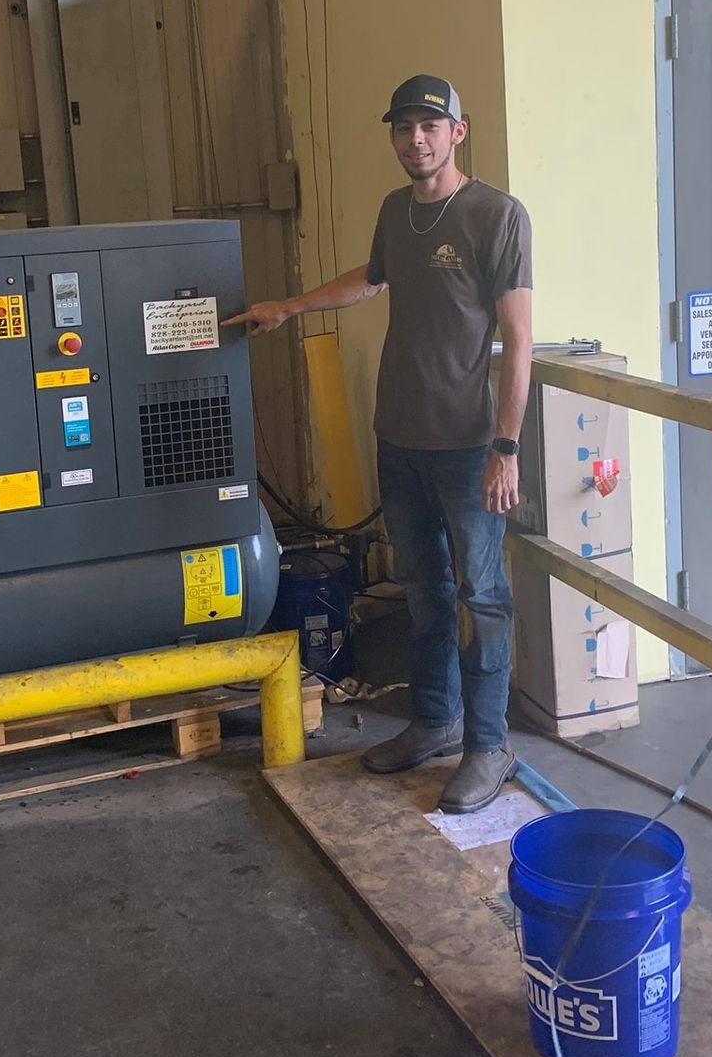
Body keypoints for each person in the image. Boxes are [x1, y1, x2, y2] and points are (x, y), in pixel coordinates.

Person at [226, 75, 533, 814]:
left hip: (467, 449)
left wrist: (507, 447)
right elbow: (370, 280)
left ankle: (488, 746)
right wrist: (289, 307)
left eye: (430, 126)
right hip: (399, 439)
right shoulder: (397, 212)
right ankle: (434, 722)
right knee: (422, 591)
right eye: (403, 128)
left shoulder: (498, 216)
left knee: (481, 597)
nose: (415, 139)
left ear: (459, 132)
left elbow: (520, 339)